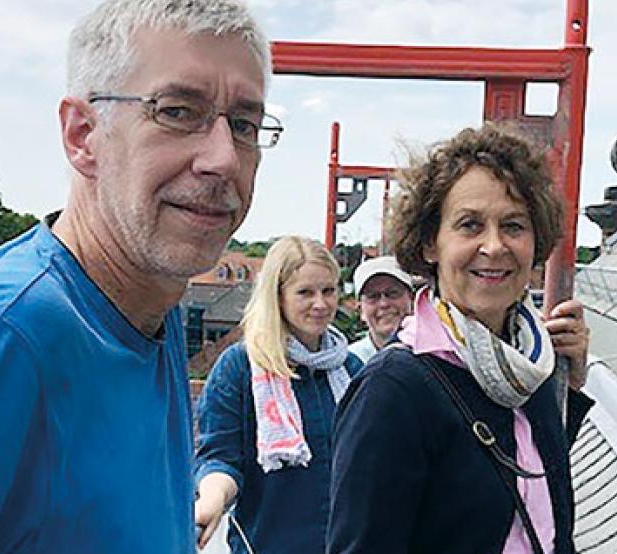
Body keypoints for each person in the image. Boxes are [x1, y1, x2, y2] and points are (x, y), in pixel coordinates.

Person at [0, 1, 280, 552]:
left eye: (243, 125)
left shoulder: (151, 309)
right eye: (176, 111)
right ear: (82, 135)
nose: (223, 159)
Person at [328, 124, 593, 554]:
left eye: (514, 226)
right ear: (430, 243)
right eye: (470, 225)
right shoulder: (393, 389)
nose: (495, 246)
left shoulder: (531, 365)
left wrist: (569, 388)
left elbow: (540, 505)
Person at [194, 236, 363, 553]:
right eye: (305, 292)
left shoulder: (352, 369)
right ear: (278, 297)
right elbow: (220, 456)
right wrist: (212, 499)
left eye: (329, 291)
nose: (320, 304)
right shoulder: (239, 367)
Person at [348, 255, 414, 363]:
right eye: (372, 296)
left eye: (393, 293)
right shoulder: (348, 364)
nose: (384, 304)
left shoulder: (434, 352)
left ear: (411, 299)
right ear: (360, 310)